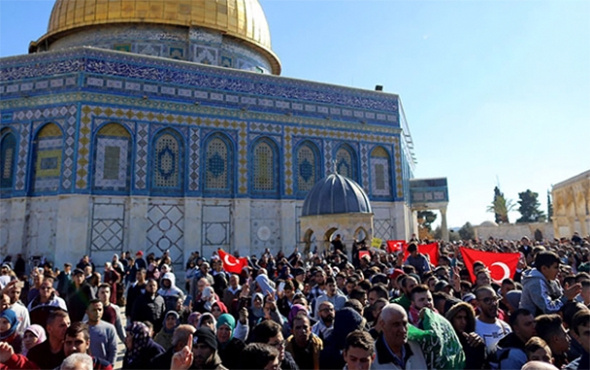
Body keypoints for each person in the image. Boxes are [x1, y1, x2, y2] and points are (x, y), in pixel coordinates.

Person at [520, 251, 581, 315]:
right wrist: (566, 297)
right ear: (544, 268)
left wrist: (569, 296)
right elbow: (548, 308)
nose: (559, 271)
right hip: (533, 322)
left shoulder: (552, 280)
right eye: (555, 267)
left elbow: (560, 298)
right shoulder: (535, 283)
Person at [372, 303, 427, 369]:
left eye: (404, 324)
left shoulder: (417, 347)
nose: (403, 330)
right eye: (396, 325)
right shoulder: (370, 356)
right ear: (383, 325)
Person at [474, 285, 512, 354]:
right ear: (477, 303)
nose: (493, 304)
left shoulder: (505, 327)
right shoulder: (473, 327)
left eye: (495, 299)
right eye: (487, 300)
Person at [85, 299, 117, 366]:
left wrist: (110, 365)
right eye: (94, 310)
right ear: (87, 312)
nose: (97, 312)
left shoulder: (109, 328)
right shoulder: (82, 329)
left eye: (100, 310)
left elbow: (113, 350)